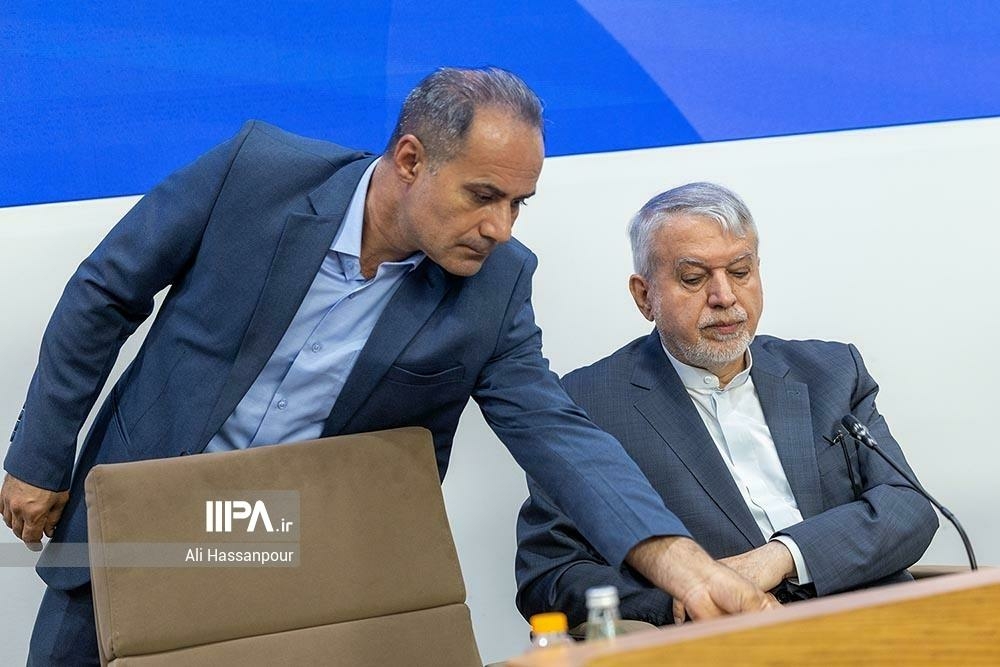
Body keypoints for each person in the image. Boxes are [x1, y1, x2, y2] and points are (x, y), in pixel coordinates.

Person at [1, 70, 773, 664]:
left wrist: (682, 563)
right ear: (410, 160)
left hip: (291, 563)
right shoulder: (256, 174)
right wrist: (40, 458)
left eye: (518, 203)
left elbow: (556, 433)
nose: (500, 228)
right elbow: (107, 291)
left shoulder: (495, 285)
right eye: (483, 196)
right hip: (141, 522)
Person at [515, 182, 938, 628]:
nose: (725, 297)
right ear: (644, 296)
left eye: (740, 271)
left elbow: (907, 508)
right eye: (694, 278)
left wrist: (780, 557)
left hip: (875, 627)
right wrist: (684, 599)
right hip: (725, 644)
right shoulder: (587, 402)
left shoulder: (830, 372)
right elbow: (550, 575)